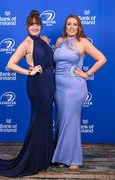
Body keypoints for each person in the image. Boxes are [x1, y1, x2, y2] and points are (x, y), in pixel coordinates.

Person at [0, 10, 55, 177]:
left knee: (46, 120)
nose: (35, 27)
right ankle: (33, 160)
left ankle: (44, 158)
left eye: (37, 24)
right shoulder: (26, 42)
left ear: (41, 25)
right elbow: (10, 64)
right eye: (31, 24)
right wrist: (28, 72)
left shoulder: (44, 40)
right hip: (38, 85)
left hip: (49, 83)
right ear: (27, 26)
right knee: (38, 120)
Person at [52, 15, 107, 170]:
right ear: (65, 26)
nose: (71, 27)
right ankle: (61, 157)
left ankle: (73, 159)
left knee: (71, 122)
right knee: (62, 120)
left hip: (74, 87)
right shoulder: (59, 41)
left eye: (74, 24)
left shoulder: (83, 42)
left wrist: (87, 73)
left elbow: (102, 59)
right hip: (58, 87)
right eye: (69, 24)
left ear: (79, 27)